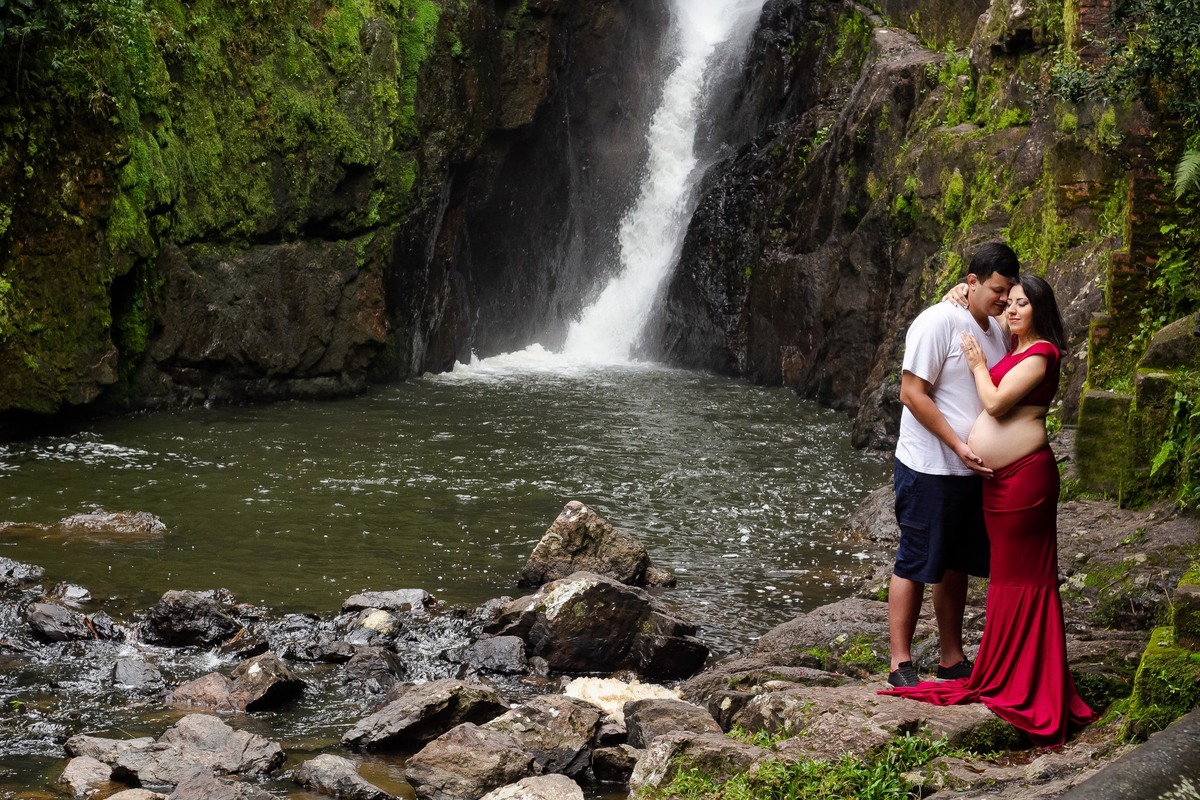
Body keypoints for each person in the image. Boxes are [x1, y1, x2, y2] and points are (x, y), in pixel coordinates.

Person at [882, 275, 1097, 748]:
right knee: (1003, 579)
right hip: (993, 484)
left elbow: (997, 402)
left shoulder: (1042, 354)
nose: (1012, 309)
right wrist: (960, 294)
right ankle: (998, 668)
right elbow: (983, 307)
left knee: (1024, 580)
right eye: (1009, 301)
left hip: (1024, 481)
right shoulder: (1006, 338)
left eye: (1022, 303)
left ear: (1040, 309)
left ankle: (1024, 678)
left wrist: (978, 366)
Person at [886, 241, 1020, 689]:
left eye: (1008, 291)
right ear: (971, 282)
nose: (1003, 299)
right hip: (929, 465)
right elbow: (911, 393)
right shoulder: (938, 320)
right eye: (996, 290)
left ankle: (951, 657)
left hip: (972, 470)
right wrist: (957, 445)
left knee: (956, 562)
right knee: (916, 560)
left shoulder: (996, 332)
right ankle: (900, 662)